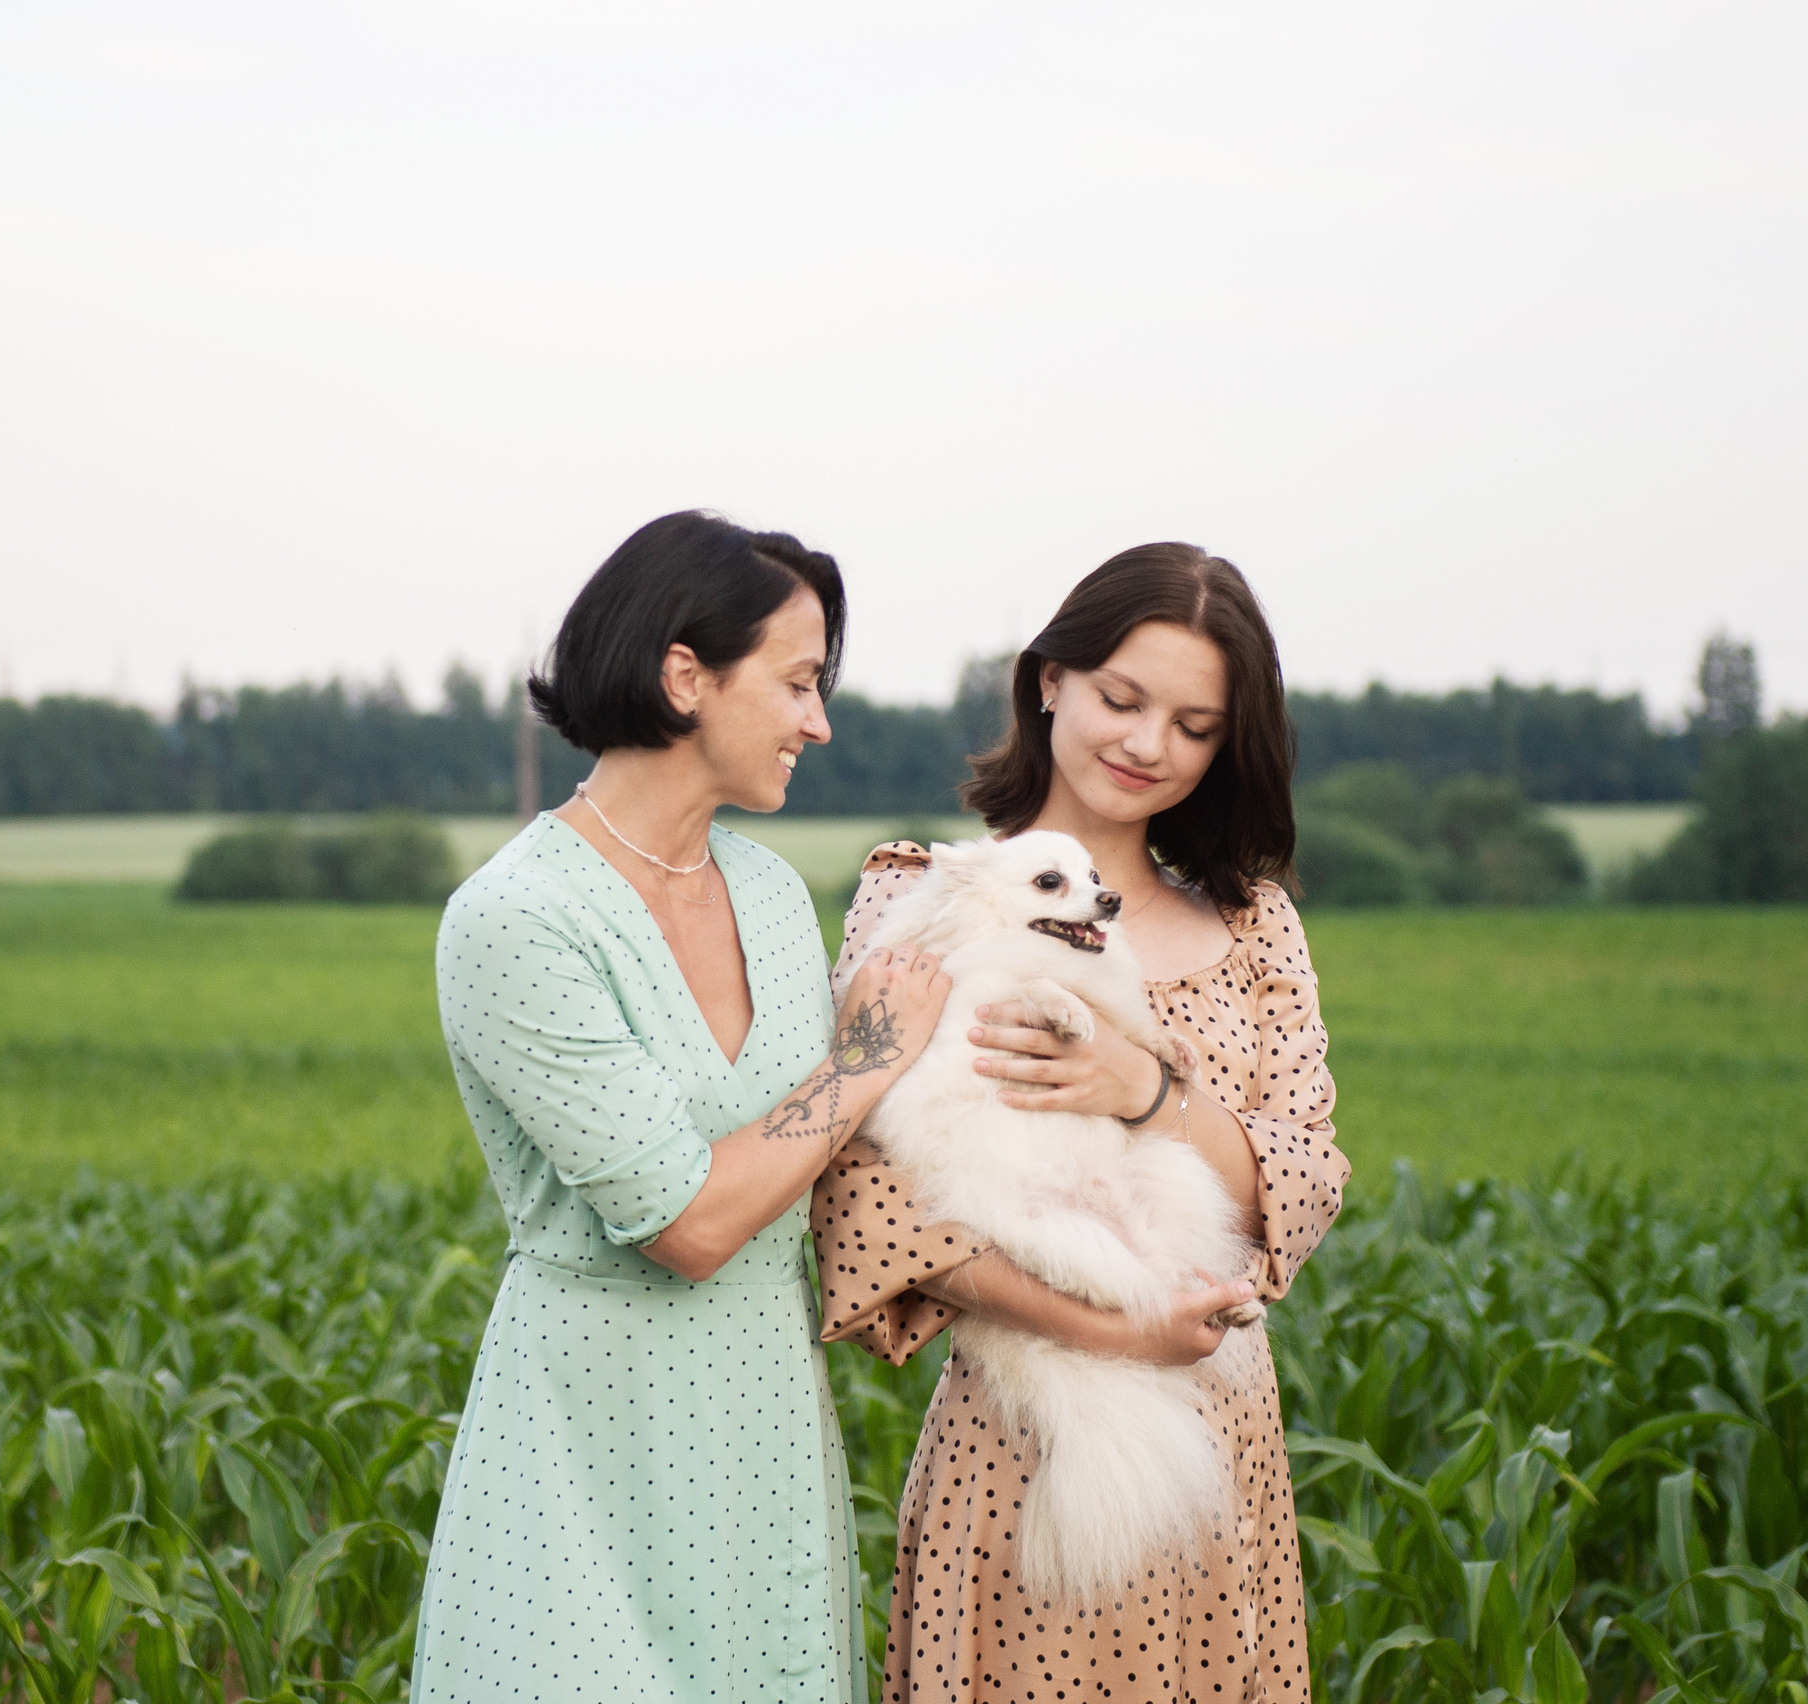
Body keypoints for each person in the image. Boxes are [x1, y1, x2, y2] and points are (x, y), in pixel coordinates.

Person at [411, 511, 953, 1704]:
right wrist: (866, 1062)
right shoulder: (515, 919)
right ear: (683, 677)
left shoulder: (764, 891)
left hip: (760, 1428)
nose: (821, 721)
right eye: (801, 682)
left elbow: (835, 1163)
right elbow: (692, 1224)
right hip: (591, 1441)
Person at [811, 543, 1349, 1704]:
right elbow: (869, 1201)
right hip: (1026, 1447)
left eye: (1195, 725)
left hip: (1225, 1458)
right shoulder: (921, 897)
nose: (1149, 743)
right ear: (1048, 680)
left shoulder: (1255, 928)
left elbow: (1300, 1181)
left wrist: (1141, 1087)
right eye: (1121, 697)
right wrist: (1116, 1331)